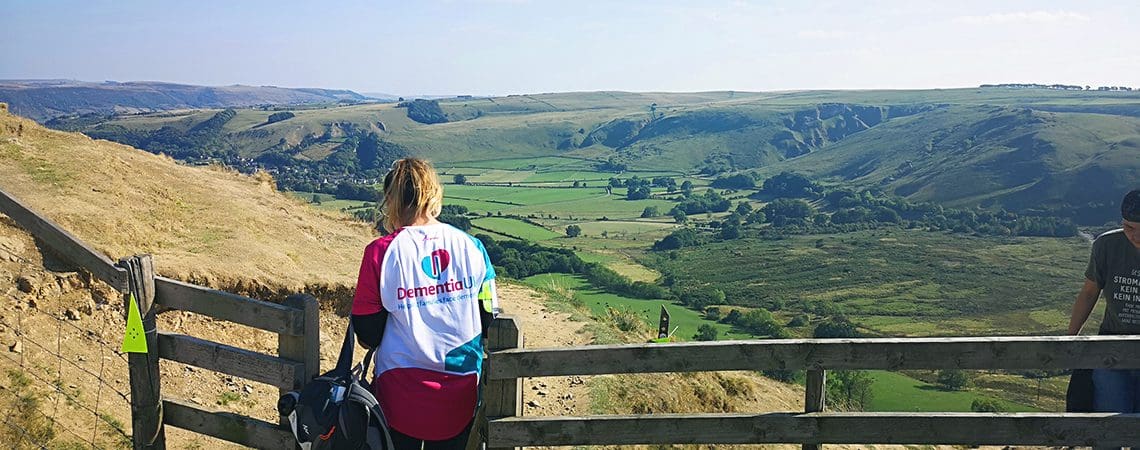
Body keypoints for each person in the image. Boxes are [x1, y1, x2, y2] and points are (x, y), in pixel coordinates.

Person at [350, 158, 498, 450]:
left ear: (390, 199)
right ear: (434, 195)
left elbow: (367, 334)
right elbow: (489, 315)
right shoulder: (473, 247)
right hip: (461, 391)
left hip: (399, 395)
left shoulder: (380, 252)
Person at [1068, 189, 1140, 435]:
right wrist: (1070, 339)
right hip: (1110, 347)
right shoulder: (1107, 245)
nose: (1136, 236)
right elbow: (1089, 293)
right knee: (1109, 425)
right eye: (1129, 227)